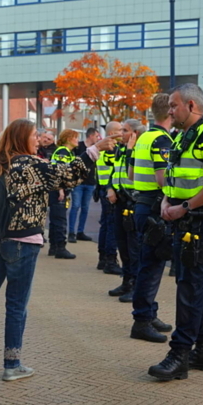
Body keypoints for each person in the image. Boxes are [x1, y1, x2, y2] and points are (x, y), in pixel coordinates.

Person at [0, 119, 93, 381]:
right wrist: (92, 151)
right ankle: (12, 365)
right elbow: (70, 174)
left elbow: (15, 194)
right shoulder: (31, 164)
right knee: (16, 305)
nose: (39, 139)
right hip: (23, 242)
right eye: (35, 135)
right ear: (23, 137)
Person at [147, 84, 203, 381]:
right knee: (196, 286)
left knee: (191, 289)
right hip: (187, 220)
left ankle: (180, 354)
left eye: (173, 105)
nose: (169, 111)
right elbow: (176, 176)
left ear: (191, 105)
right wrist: (169, 200)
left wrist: (184, 207)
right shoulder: (185, 135)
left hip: (202, 222)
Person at [129, 95, 176, 343]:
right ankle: (142, 320)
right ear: (170, 112)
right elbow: (162, 179)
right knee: (151, 265)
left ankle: (149, 312)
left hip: (142, 204)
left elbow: (130, 171)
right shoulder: (161, 139)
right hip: (154, 206)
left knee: (149, 264)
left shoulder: (145, 136)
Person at [107, 120, 141, 302]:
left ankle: (135, 285)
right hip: (120, 200)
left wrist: (130, 148)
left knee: (133, 246)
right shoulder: (119, 150)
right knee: (122, 244)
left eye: (124, 131)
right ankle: (126, 281)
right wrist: (110, 188)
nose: (121, 134)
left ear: (134, 133)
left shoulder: (137, 149)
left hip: (133, 201)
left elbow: (131, 173)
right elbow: (115, 171)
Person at [47, 130, 78, 259]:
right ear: (69, 139)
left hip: (56, 189)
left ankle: (53, 247)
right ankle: (60, 247)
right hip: (58, 190)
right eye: (75, 138)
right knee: (60, 219)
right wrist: (61, 188)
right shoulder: (63, 152)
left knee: (55, 219)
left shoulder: (62, 151)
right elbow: (58, 170)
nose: (77, 140)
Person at [95, 127, 121, 275]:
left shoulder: (102, 147)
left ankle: (103, 258)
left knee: (105, 225)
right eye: (120, 129)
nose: (122, 133)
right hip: (109, 190)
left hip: (103, 188)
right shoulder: (110, 148)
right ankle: (110, 260)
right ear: (112, 133)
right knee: (111, 225)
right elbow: (116, 168)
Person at [68, 127, 99, 244]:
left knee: (85, 208)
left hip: (90, 182)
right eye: (96, 136)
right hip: (78, 183)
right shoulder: (78, 147)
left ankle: (80, 231)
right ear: (91, 136)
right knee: (75, 206)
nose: (97, 138)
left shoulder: (96, 149)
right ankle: (71, 232)